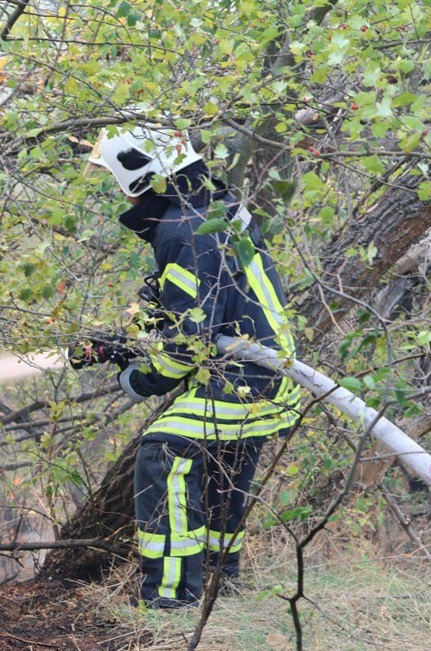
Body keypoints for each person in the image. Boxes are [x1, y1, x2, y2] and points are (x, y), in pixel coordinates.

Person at [69, 123, 301, 608]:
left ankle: (171, 601)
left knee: (162, 452)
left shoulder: (182, 230)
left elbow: (184, 348)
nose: (119, 193)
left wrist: (139, 377)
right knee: (221, 461)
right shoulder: (211, 208)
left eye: (117, 179)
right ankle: (221, 580)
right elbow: (206, 313)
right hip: (266, 375)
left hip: (247, 379)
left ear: (142, 176)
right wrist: (131, 340)